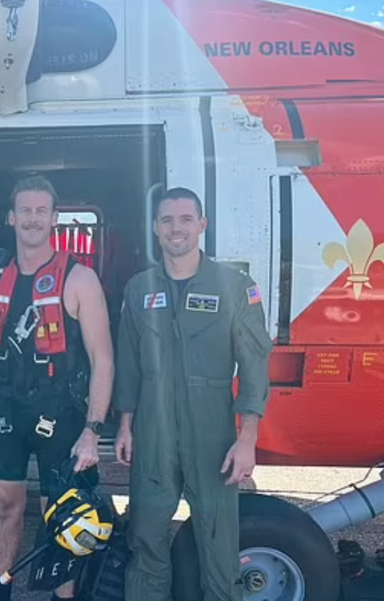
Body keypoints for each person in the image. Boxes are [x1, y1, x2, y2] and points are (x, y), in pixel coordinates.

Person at [0, 175, 115, 601]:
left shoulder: (79, 279)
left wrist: (92, 431)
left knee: (60, 516)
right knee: (5, 508)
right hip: (5, 408)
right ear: (11, 216)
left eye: (41, 210)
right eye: (24, 210)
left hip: (60, 412)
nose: (32, 218)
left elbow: (104, 360)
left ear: (55, 218)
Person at [112, 187, 274, 601]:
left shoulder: (235, 287)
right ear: (155, 228)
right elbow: (128, 363)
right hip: (152, 430)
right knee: (145, 538)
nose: (176, 228)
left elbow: (254, 363)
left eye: (186, 219)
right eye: (166, 220)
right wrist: (126, 425)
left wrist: (247, 439)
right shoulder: (138, 289)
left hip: (213, 434)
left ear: (202, 225)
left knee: (219, 546)